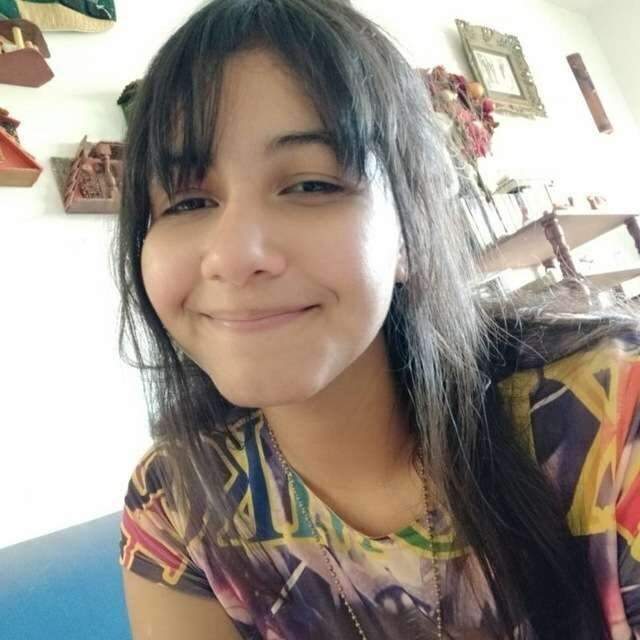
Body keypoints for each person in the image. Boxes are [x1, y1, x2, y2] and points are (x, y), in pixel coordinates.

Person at [114, 1, 640, 638]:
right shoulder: (174, 506)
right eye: (188, 201)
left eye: (310, 186)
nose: (232, 257)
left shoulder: (611, 419)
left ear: (409, 231)